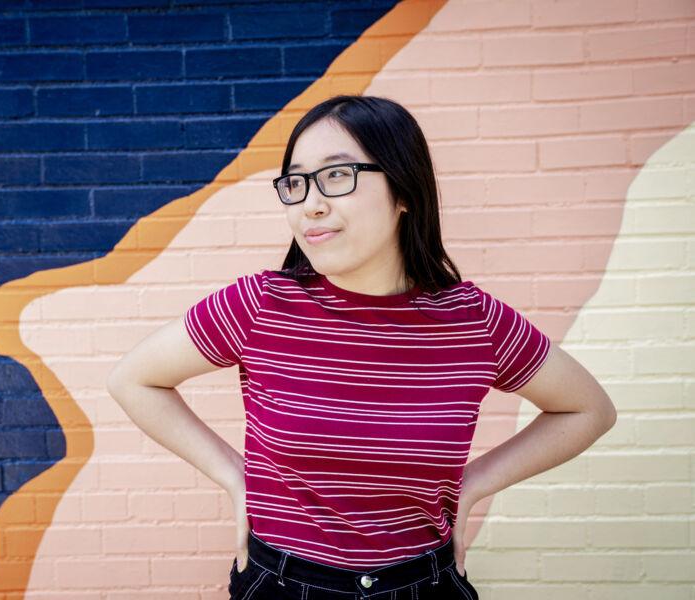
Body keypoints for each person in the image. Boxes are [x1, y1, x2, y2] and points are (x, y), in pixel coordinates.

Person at [106, 95, 617, 600]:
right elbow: (134, 378)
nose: (311, 203)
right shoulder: (260, 305)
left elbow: (588, 408)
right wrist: (234, 477)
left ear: (404, 191)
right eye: (296, 182)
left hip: (422, 585)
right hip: (283, 585)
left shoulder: (473, 322)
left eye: (336, 175)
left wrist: (475, 483)